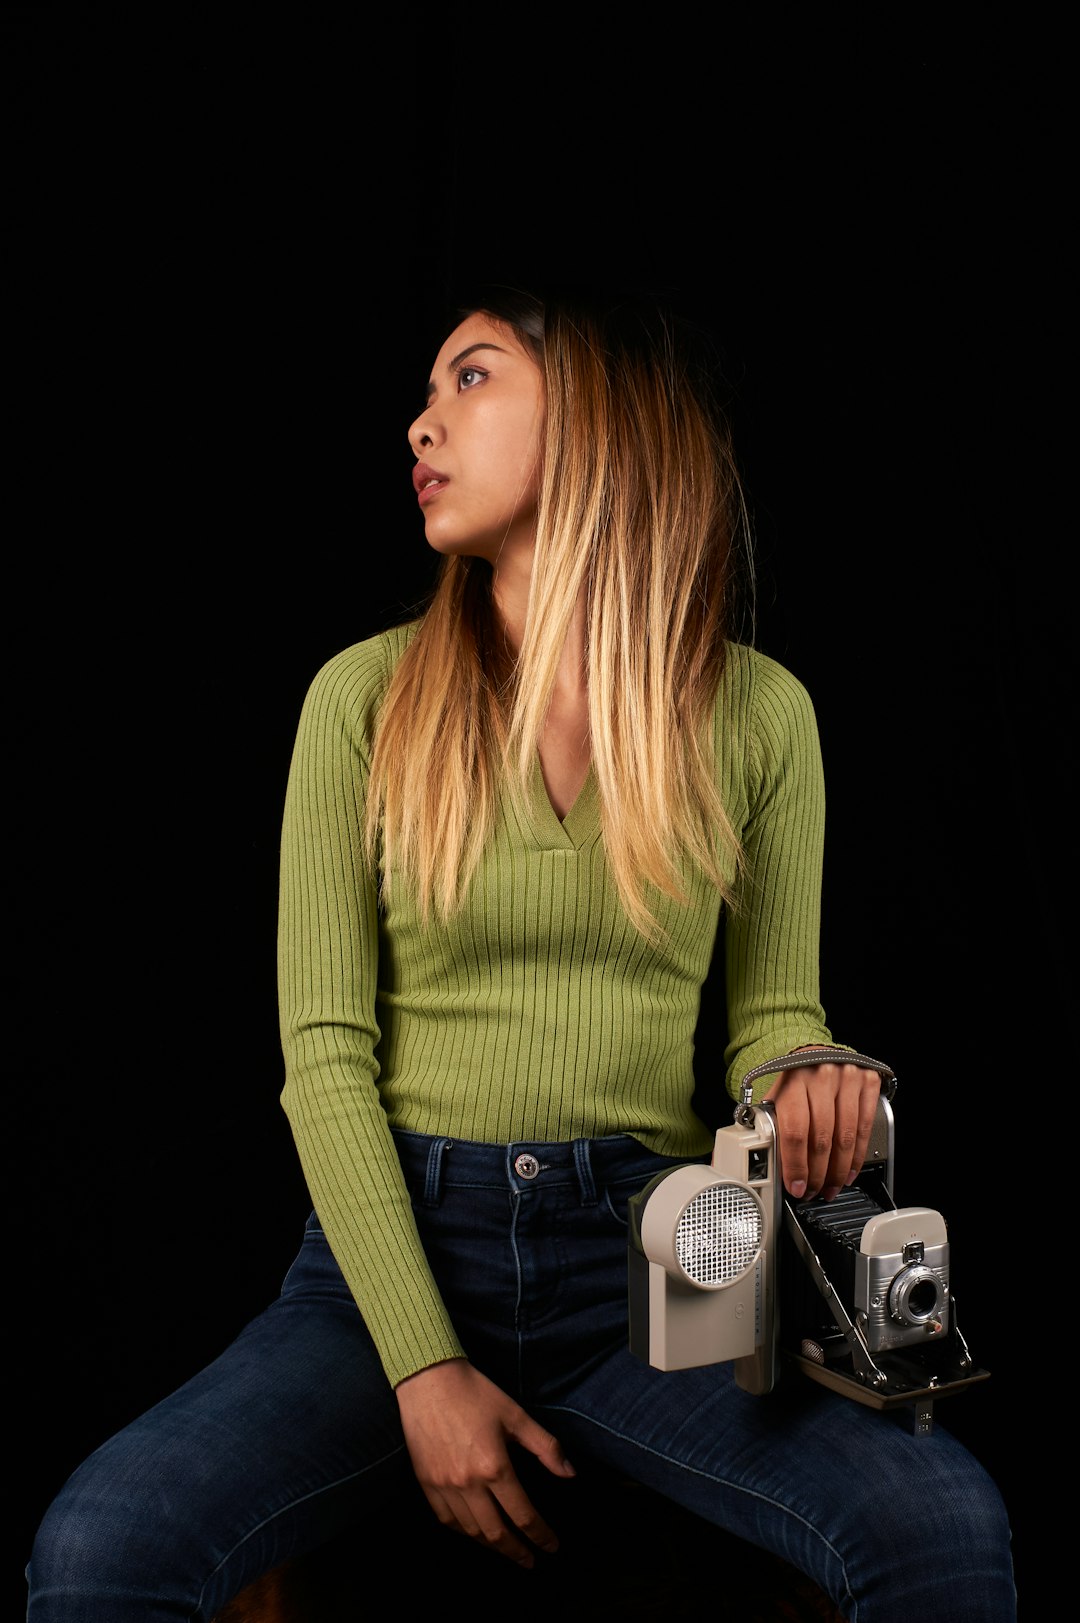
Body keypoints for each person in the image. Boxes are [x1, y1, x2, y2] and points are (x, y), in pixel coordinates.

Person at [26, 285, 1016, 1621]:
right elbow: (323, 1059)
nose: (424, 421)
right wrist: (424, 1369)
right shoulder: (363, 698)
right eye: (432, 392)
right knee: (103, 1550)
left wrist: (813, 1070)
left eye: (472, 379)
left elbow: (772, 1009)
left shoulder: (757, 714)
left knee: (943, 1531)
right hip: (390, 1255)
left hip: (658, 1265)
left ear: (596, 425)